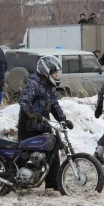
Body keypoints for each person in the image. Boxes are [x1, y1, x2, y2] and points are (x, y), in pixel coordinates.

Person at [17, 55, 73, 190]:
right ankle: (19, 179)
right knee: (26, 154)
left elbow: (54, 103)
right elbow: (24, 101)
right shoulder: (34, 83)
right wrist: (34, 116)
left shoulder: (49, 86)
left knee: (53, 150)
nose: (56, 75)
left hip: (44, 124)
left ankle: (53, 182)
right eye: (54, 72)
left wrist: (62, 119)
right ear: (46, 71)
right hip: (29, 126)